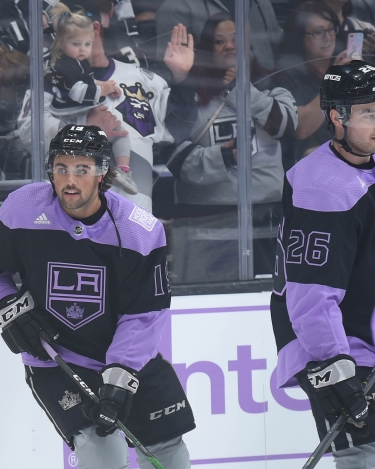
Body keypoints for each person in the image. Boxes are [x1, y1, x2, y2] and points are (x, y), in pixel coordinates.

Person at [0, 125, 227, 469]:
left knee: (168, 456)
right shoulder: (24, 209)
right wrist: (8, 307)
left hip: (131, 357)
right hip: (58, 362)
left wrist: (121, 374)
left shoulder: (140, 230)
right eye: (61, 168)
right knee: (101, 454)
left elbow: (144, 314)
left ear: (104, 174)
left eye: (82, 169)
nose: (70, 180)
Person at [269, 62, 375, 469]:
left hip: (359, 335)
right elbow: (310, 293)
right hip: (329, 343)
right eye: (367, 113)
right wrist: (333, 363)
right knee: (363, 463)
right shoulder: (321, 183)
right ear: (335, 118)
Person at [165, 13, 296, 282]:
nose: (229, 46)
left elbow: (283, 126)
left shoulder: (273, 84)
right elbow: (174, 157)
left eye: (236, 39)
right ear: (207, 50)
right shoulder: (185, 93)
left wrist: (240, 89)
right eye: (219, 41)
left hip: (265, 218)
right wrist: (224, 156)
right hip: (204, 220)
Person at [46, 4, 139, 193]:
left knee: (118, 133)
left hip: (77, 113)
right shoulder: (67, 65)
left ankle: (121, 171)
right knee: (118, 134)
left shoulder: (77, 63)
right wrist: (102, 89)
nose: (83, 49)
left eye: (87, 44)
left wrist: (105, 87)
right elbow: (78, 92)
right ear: (62, 43)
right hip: (73, 116)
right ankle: (117, 172)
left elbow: (86, 81)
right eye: (76, 44)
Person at [273, 2, 351, 162]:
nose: (328, 37)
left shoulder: (343, 63)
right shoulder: (286, 74)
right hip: (309, 164)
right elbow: (300, 127)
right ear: (299, 37)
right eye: (318, 32)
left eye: (331, 29)